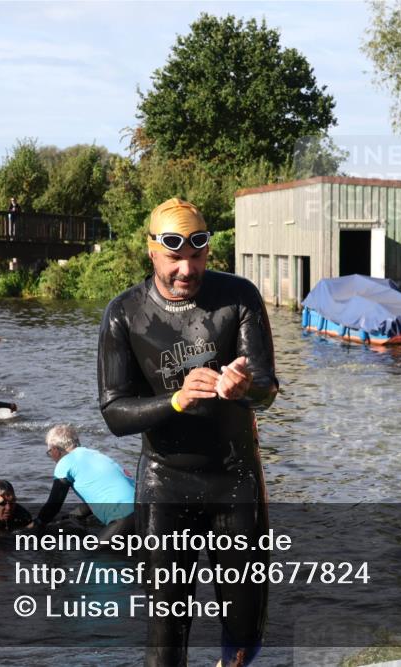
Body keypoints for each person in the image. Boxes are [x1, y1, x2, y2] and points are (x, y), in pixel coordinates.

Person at [97, 197, 278, 667]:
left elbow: (268, 389)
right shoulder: (124, 314)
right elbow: (115, 414)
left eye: (196, 257)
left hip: (235, 477)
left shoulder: (238, 297)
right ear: (151, 250)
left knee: (244, 617)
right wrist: (176, 400)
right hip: (165, 482)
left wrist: (245, 387)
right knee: (167, 624)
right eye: (174, 257)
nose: (186, 269)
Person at [29, 424, 135, 540]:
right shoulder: (95, 454)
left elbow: (54, 505)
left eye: (49, 452)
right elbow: (99, 494)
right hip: (145, 508)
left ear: (55, 450)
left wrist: (36, 524)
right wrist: (75, 515)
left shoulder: (64, 462)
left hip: (123, 517)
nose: (51, 457)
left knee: (96, 556)